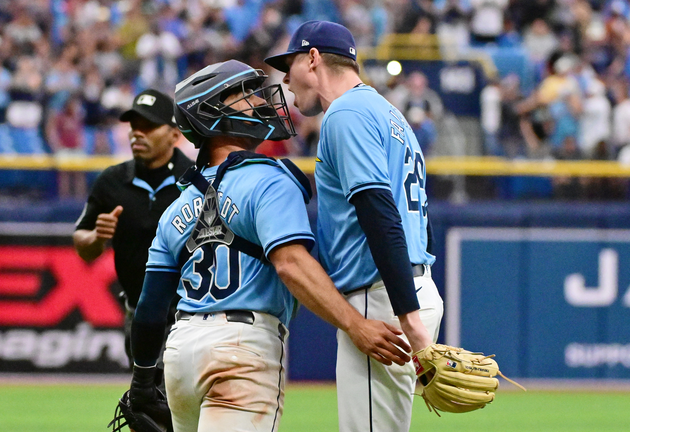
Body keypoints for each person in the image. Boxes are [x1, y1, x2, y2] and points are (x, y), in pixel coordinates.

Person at [127, 59, 412, 432]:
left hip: (181, 351)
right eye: (243, 95)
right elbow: (291, 265)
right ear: (211, 111)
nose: (261, 101)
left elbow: (149, 309)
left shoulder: (176, 206)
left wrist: (142, 382)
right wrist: (356, 325)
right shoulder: (270, 179)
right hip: (243, 345)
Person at [264, 20, 443, 432]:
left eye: (289, 65)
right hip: (414, 286)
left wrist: (409, 320)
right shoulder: (388, 112)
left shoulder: (345, 114)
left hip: (381, 301)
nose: (286, 79)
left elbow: (379, 212)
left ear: (312, 58)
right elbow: (421, 223)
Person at [73, 89, 194, 372]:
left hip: (190, 314)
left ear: (174, 135)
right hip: (137, 314)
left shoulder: (195, 181)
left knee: (179, 404)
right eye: (134, 126)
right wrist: (96, 237)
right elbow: (83, 245)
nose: (138, 133)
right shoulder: (111, 181)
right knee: (145, 405)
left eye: (149, 126)